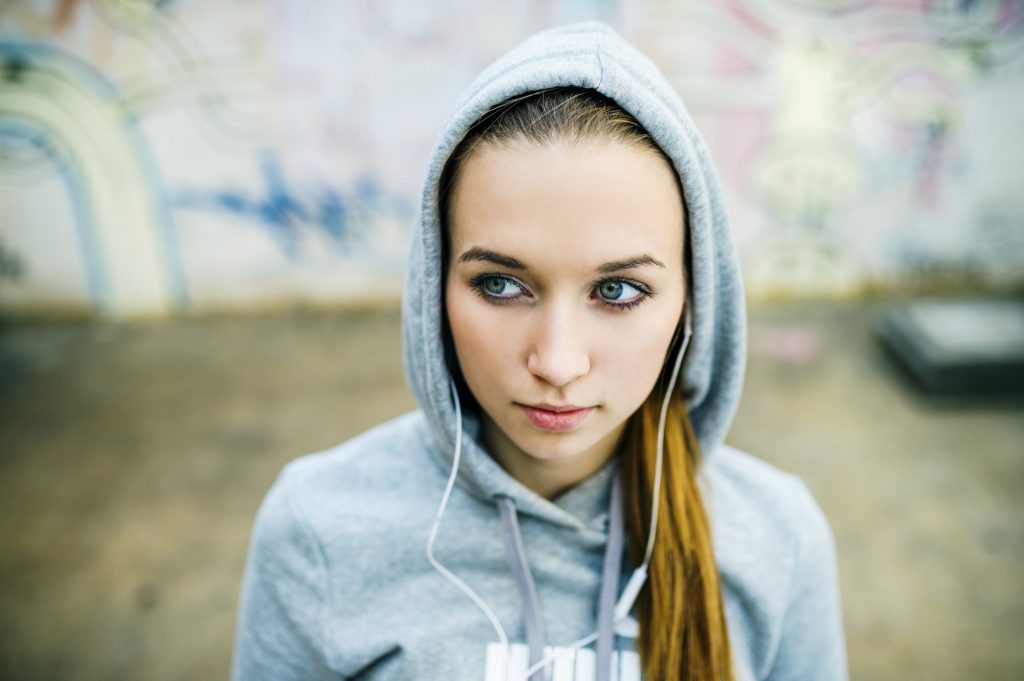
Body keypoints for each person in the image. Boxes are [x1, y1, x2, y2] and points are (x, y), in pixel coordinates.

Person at [231, 21, 847, 681]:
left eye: (617, 289)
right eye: (499, 284)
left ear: (693, 300)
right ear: (433, 282)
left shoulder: (777, 539)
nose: (557, 363)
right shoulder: (318, 530)